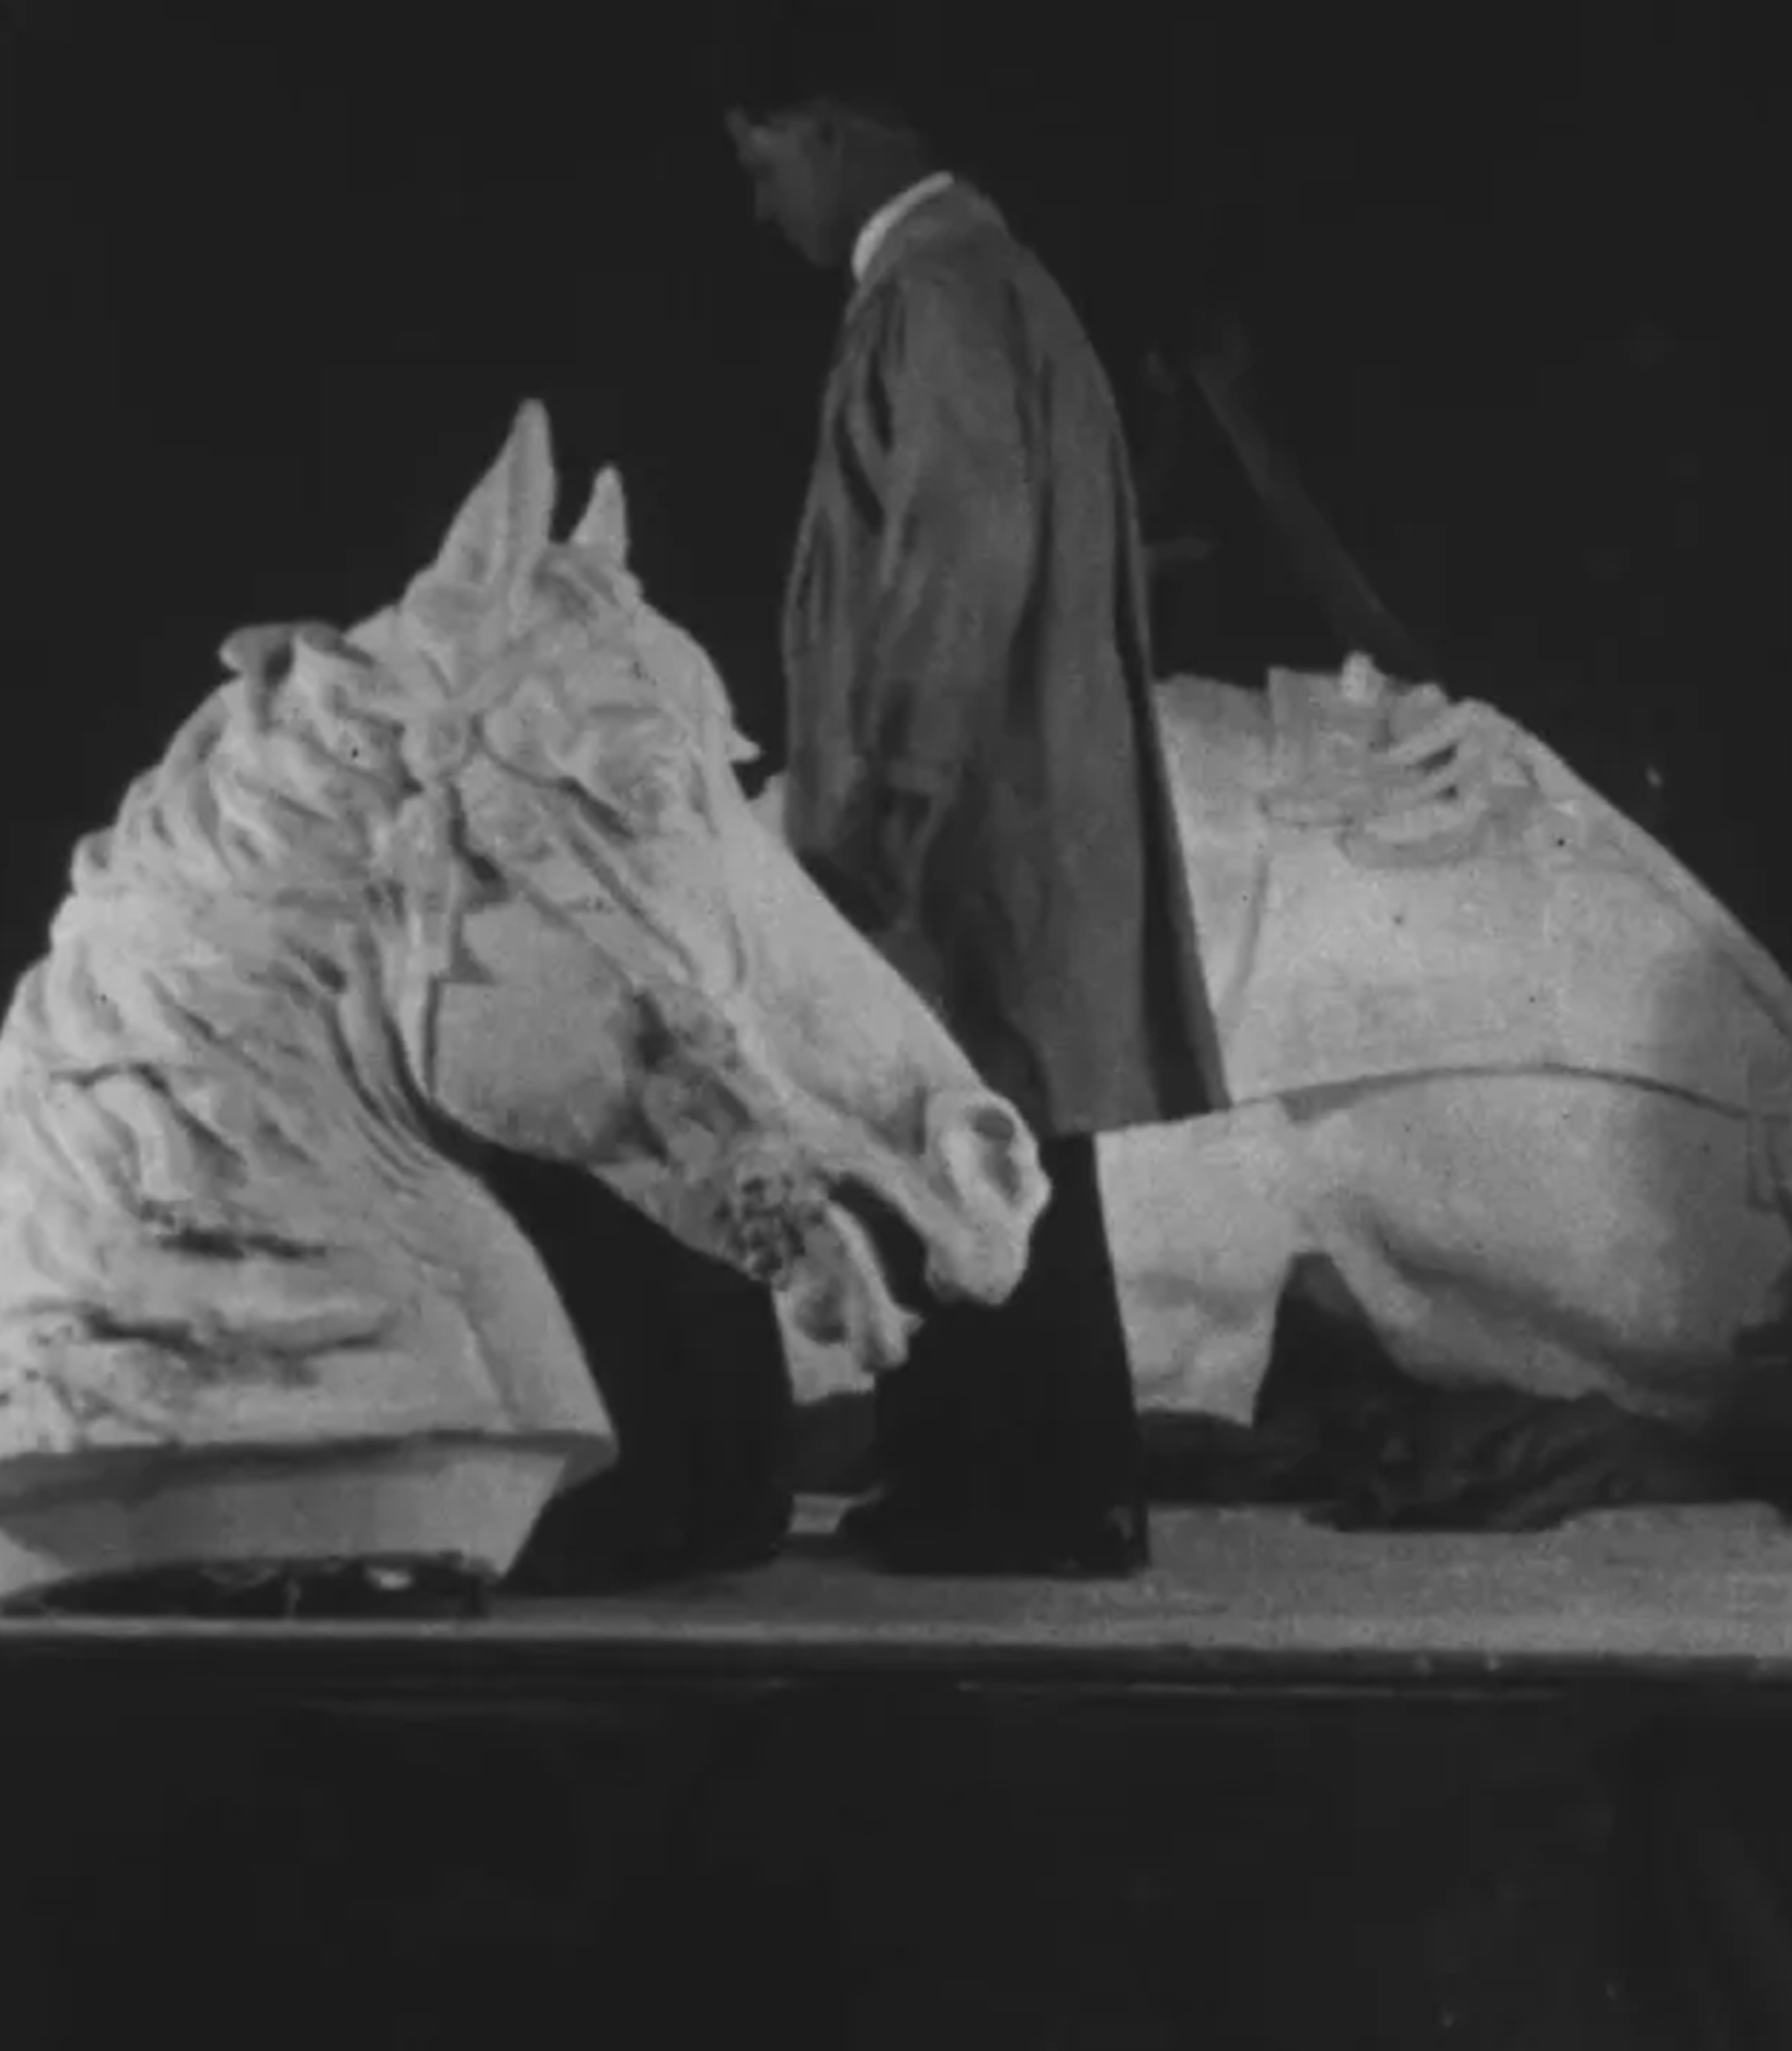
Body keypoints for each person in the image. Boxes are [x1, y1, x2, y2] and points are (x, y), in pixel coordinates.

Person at [729, 66, 1225, 1576]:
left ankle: (1023, 1498)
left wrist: (884, 813)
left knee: (966, 1140)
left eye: (759, 161)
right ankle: (1001, 1480)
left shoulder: (935, 294)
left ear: (827, 125)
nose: (761, 203)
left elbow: (951, 564)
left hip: (962, 830)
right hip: (1001, 812)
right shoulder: (993, 281)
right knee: (991, 1150)